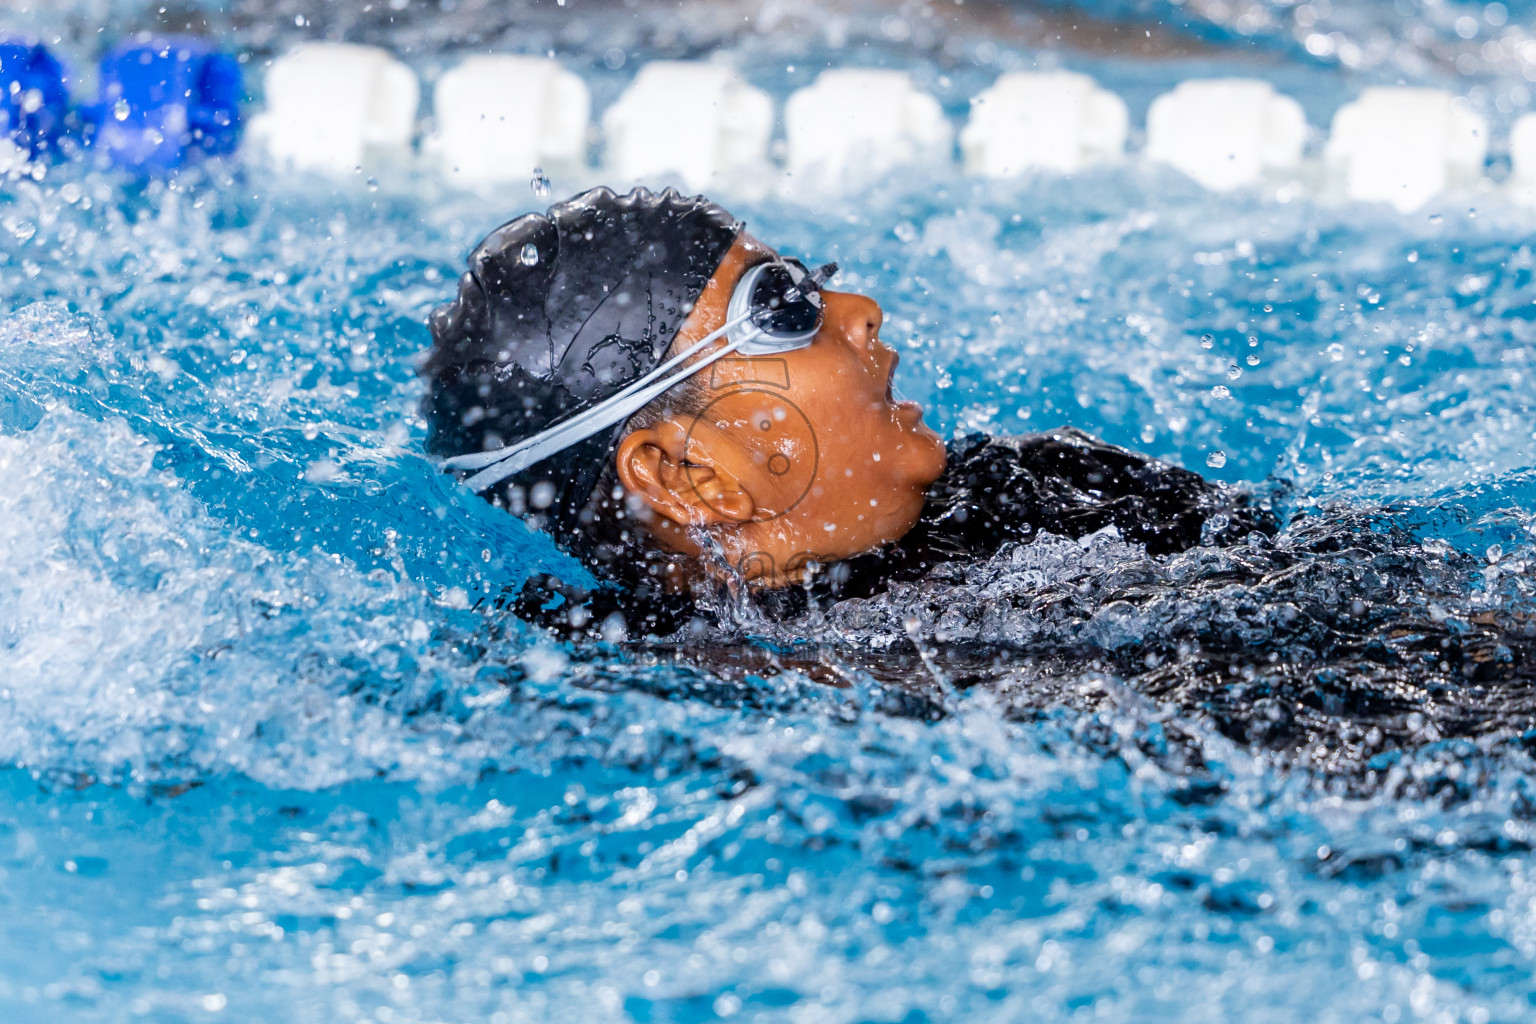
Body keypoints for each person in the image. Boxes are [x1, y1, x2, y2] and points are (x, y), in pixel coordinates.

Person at [421, 186, 1275, 640]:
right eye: (781, 307)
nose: (860, 308)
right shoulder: (670, 686)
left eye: (806, 278)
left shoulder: (1048, 486)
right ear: (689, 471)